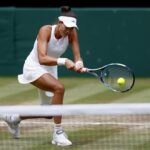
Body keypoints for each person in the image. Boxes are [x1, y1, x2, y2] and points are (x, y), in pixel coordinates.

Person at [1, 6, 85, 146]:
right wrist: (64, 61)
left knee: (48, 112)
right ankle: (58, 133)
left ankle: (13, 118)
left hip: (50, 70)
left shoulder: (71, 33)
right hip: (34, 67)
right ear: (59, 23)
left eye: (71, 28)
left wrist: (79, 63)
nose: (69, 31)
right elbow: (42, 58)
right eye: (67, 27)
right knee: (59, 88)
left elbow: (77, 55)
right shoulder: (45, 30)